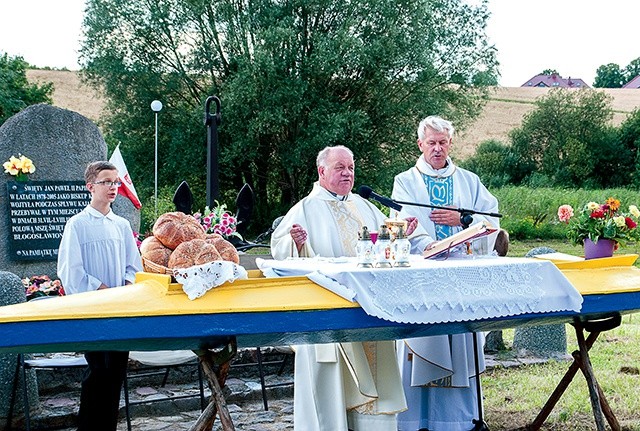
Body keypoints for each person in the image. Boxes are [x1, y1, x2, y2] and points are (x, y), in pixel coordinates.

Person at [271, 145, 416, 431]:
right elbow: (281, 251)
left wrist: (400, 236)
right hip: (328, 315)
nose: (348, 173)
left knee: (375, 376)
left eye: (350, 167)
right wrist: (297, 243)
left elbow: (380, 248)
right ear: (321, 171)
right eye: (340, 168)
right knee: (331, 385)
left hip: (369, 311)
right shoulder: (305, 208)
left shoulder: (364, 206)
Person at [391, 115, 500, 431]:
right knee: (423, 343)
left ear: (450, 143)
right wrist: (431, 245)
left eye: (442, 142)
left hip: (462, 278)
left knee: (460, 343)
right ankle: (416, 421)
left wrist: (462, 221)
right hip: (424, 278)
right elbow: (403, 225)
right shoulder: (405, 181)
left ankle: (456, 420)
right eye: (431, 143)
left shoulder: (469, 180)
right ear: (420, 144)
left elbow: (490, 221)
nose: (437, 149)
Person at [57, 161, 142, 431]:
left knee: (116, 372)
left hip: (120, 308)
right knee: (97, 372)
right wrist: (103, 290)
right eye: (106, 181)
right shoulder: (78, 224)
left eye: (116, 182)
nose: (113, 187)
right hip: (93, 308)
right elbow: (70, 269)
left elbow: (133, 264)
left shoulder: (120, 224)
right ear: (90, 186)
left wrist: (126, 287)